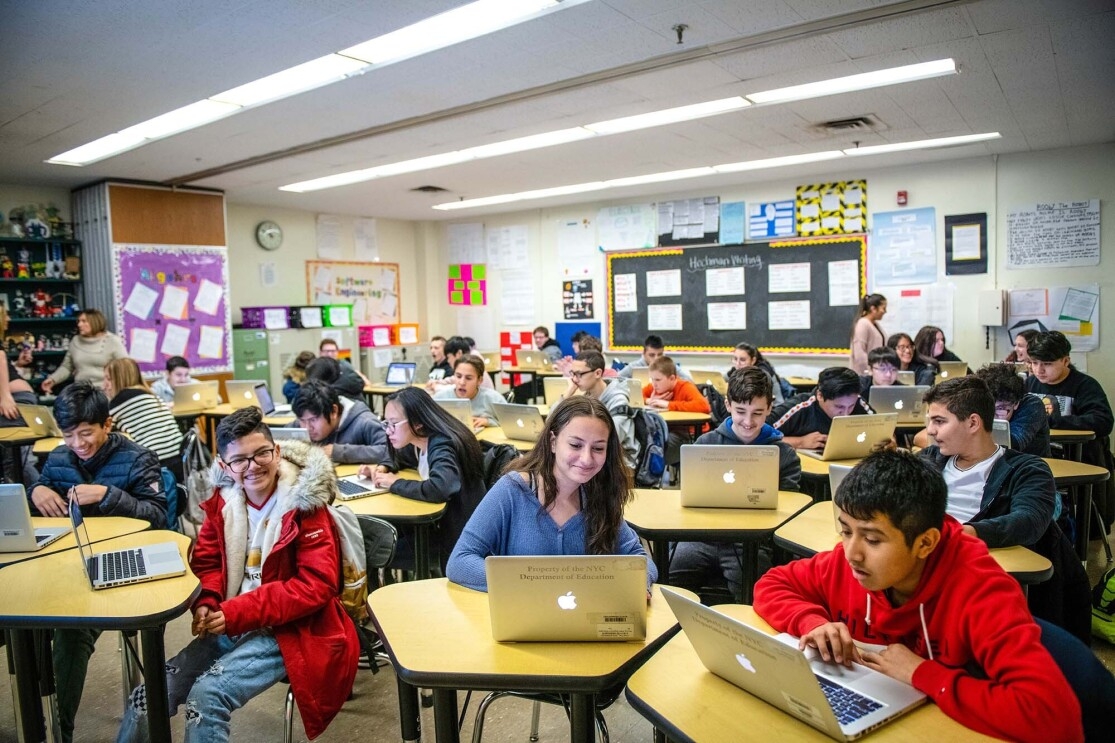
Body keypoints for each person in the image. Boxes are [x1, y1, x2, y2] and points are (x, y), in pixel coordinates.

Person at [753, 449, 1082, 743]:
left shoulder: (980, 589)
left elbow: (1054, 718)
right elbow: (772, 584)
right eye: (846, 530)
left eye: (873, 540)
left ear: (925, 543)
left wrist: (921, 673)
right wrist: (813, 621)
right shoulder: (846, 562)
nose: (851, 553)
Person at [117, 407, 359, 743]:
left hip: (291, 629)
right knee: (150, 693)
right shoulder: (225, 501)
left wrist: (235, 612)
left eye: (261, 453)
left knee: (206, 696)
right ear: (223, 466)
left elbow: (316, 586)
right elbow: (208, 560)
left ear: (276, 452)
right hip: (231, 618)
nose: (252, 466)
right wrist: (207, 599)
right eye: (239, 460)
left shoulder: (305, 504)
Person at [29, 382, 166, 743]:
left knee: (70, 633)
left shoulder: (138, 458)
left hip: (123, 570)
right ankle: (38, 722)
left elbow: (159, 517)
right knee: (26, 625)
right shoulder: (58, 459)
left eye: (86, 433)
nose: (78, 444)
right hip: (64, 567)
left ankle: (62, 731)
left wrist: (109, 495)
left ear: (108, 424)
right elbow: (43, 501)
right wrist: (36, 490)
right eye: (69, 435)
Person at [917, 375, 1088, 642]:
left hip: (982, 574)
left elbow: (1029, 521)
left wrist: (966, 533)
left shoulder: (1027, 469)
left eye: (939, 421)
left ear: (973, 422)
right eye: (930, 421)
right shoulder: (929, 459)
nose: (930, 430)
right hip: (927, 561)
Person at [446, 396, 657, 591]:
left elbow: (639, 558)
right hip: (524, 622)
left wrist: (640, 583)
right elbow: (460, 561)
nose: (586, 459)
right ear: (553, 442)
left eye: (598, 448)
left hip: (583, 624)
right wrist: (536, 585)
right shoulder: (512, 490)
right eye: (575, 445)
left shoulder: (599, 494)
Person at [669, 368, 801, 598]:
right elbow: (688, 499)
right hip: (703, 537)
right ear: (728, 405)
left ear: (770, 408)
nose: (748, 422)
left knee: (754, 593)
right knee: (671, 580)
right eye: (740, 411)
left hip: (751, 543)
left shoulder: (784, 455)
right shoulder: (704, 445)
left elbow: (788, 510)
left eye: (758, 413)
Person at [358, 387, 485, 572]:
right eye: (386, 423)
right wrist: (383, 467)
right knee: (375, 539)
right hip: (440, 525)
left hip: (456, 537)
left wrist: (394, 483)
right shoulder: (419, 440)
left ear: (417, 423)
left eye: (394, 423)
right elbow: (399, 457)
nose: (388, 431)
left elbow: (441, 487)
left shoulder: (442, 443)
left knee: (373, 549)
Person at [1025, 330, 1114, 531]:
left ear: (1065, 361)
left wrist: (1056, 421)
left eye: (1047, 364)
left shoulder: (1085, 386)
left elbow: (1103, 421)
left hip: (1077, 458)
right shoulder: (1029, 384)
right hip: (1039, 457)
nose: (1039, 370)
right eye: (1034, 363)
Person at [103, 358, 185, 483]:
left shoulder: (119, 402)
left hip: (156, 467)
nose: (105, 385)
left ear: (119, 378)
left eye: (108, 379)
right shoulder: (150, 395)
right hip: (180, 462)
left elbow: (103, 432)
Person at [560, 350, 638, 469]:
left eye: (579, 374)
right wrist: (566, 395)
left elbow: (613, 438)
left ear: (597, 373)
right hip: (594, 456)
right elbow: (552, 424)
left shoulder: (618, 400)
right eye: (572, 374)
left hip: (618, 463)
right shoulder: (586, 397)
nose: (574, 380)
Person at [769, 366, 874, 450]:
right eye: (839, 406)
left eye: (851, 406)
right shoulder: (799, 407)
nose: (846, 414)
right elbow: (756, 437)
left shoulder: (857, 400)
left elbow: (882, 429)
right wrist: (800, 442)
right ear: (820, 395)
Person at [293, 378, 388, 463]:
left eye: (313, 420)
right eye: (302, 420)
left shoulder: (364, 421)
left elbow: (390, 451)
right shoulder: (303, 421)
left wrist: (340, 452)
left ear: (334, 411)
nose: (307, 428)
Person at [41, 308, 128, 393]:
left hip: (106, 392)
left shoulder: (113, 341)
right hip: (81, 393)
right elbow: (67, 367)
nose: (79, 325)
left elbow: (126, 367)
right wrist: (53, 379)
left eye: (84, 321)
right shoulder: (75, 341)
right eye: (78, 321)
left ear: (95, 322)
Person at [976, 362, 1050, 456]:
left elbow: (1011, 444)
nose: (992, 416)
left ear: (1016, 403)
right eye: (987, 408)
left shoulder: (1033, 405)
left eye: (1000, 408)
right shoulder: (976, 405)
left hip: (1029, 466)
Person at [432, 356, 507, 428]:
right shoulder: (439, 398)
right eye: (458, 376)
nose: (462, 382)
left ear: (479, 380)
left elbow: (510, 423)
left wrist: (489, 422)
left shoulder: (494, 398)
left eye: (468, 378)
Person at [643, 356, 710, 413]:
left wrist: (668, 404)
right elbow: (634, 397)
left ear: (672, 378)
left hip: (689, 426)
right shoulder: (654, 387)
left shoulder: (686, 387)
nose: (654, 384)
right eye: (652, 379)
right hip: (670, 425)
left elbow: (704, 406)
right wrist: (650, 401)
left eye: (658, 380)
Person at [618, 334, 693, 381]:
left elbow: (689, 380)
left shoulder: (669, 366)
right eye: (652, 355)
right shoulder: (634, 367)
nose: (656, 358)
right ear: (644, 353)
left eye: (660, 354)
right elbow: (615, 380)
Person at [850, 293, 887, 374]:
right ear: (873, 308)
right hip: (866, 374)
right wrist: (871, 370)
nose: (885, 312)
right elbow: (859, 353)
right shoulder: (862, 324)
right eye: (883, 308)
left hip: (877, 372)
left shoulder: (875, 324)